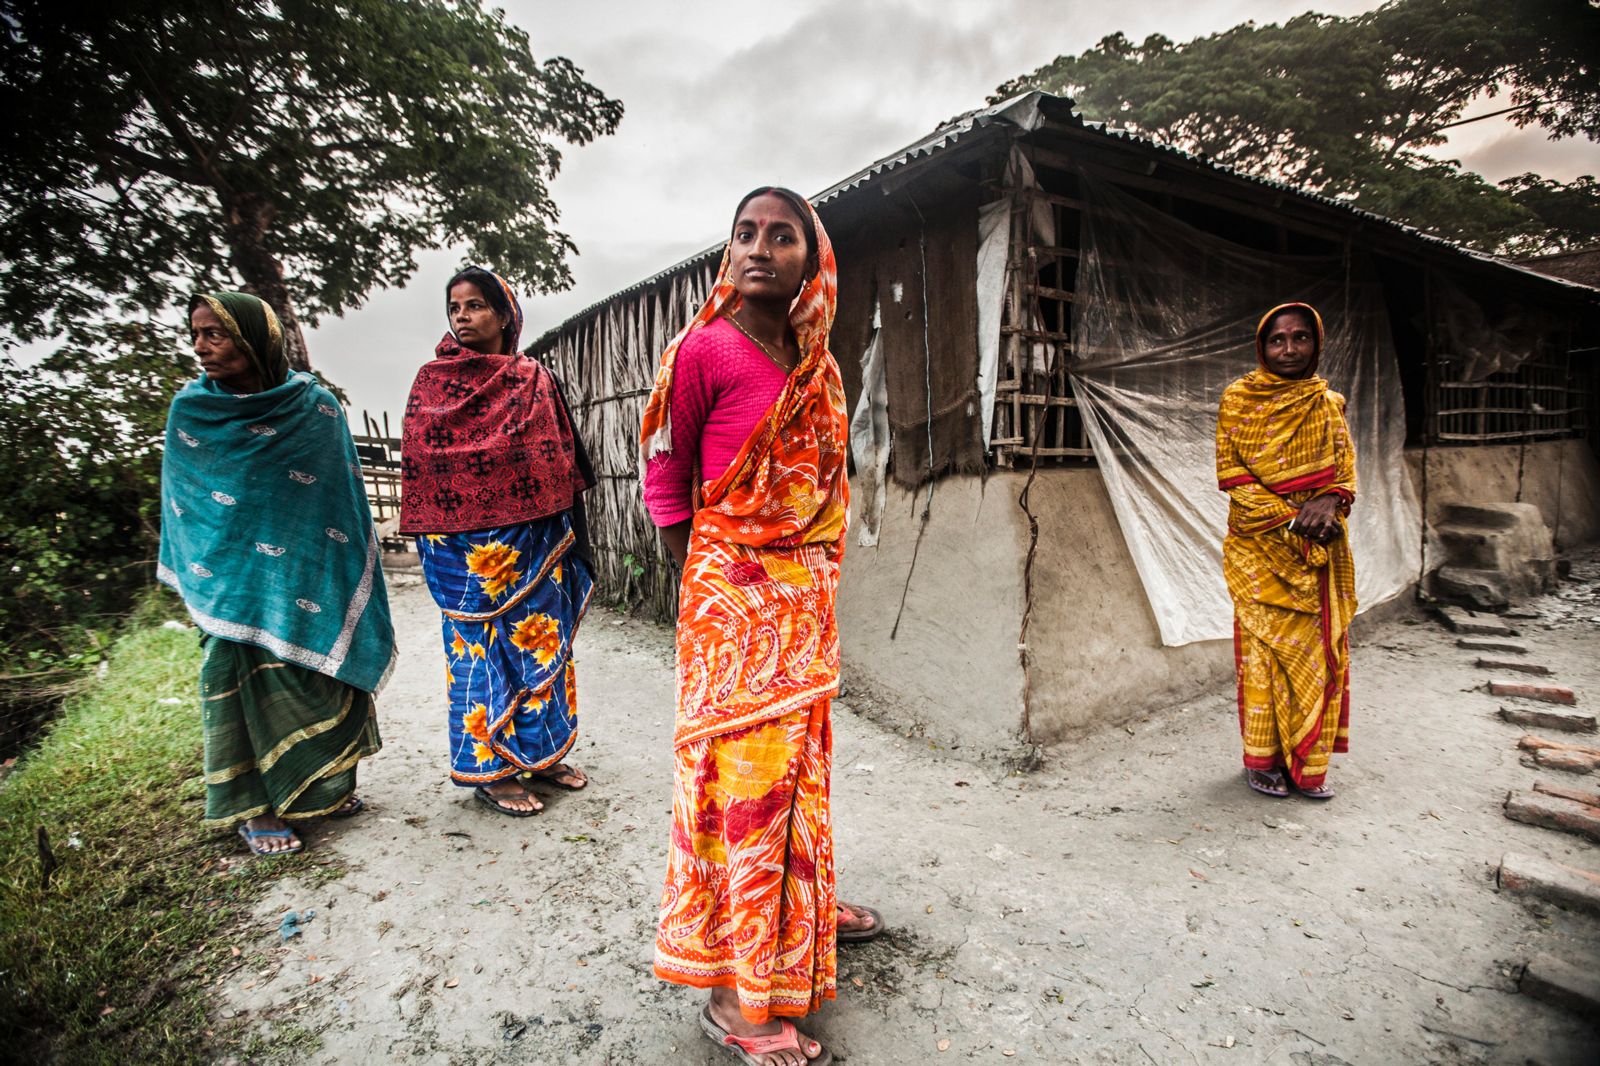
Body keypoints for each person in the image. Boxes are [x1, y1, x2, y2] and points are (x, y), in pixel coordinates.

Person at [642, 188, 882, 1066]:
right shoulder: (701, 351)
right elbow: (665, 483)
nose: (758, 249)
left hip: (803, 602)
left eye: (782, 237)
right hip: (730, 603)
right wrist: (718, 592)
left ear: (811, 260)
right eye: (745, 233)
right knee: (739, 786)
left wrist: (791, 590)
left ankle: (798, 921)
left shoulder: (819, 367)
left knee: (796, 776)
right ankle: (737, 1000)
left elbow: (824, 493)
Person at [160, 291, 393, 856]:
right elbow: (187, 504)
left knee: (316, 675)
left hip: (306, 579)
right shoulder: (192, 414)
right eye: (196, 333)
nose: (201, 346)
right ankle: (257, 809)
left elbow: (339, 502)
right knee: (237, 676)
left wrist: (320, 569)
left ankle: (318, 786)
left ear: (253, 338)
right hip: (227, 579)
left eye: (215, 333)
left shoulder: (313, 409)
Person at [400, 266, 595, 817]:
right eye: (455, 307)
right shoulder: (430, 384)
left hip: (533, 542)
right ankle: (491, 770)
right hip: (464, 555)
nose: (463, 316)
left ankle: (540, 753)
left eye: (476, 306)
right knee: (477, 653)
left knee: (542, 643)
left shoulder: (533, 378)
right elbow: (423, 471)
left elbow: (557, 459)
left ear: (505, 314)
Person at [1216, 302, 1357, 801]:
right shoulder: (1238, 400)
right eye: (1278, 339)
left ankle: (1307, 766)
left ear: (1316, 344)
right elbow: (1232, 477)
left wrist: (1331, 499)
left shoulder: (1328, 403)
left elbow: (1345, 474)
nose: (1290, 348)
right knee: (1263, 657)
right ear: (1262, 346)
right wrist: (1296, 518)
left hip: (1319, 554)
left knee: (1316, 656)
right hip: (1261, 550)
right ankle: (1262, 761)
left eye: (1301, 338)